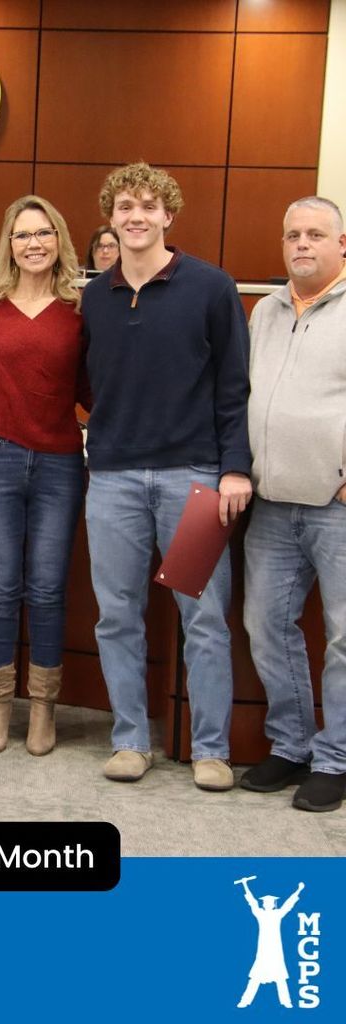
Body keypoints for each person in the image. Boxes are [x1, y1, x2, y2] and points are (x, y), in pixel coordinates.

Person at [80, 162, 252, 790]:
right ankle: (130, 740)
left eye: (148, 206)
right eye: (125, 206)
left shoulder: (211, 287)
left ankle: (211, 751)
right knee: (117, 615)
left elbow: (234, 388)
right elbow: (87, 382)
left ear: (168, 216)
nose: (136, 217)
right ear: (111, 217)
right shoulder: (94, 297)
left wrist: (235, 467)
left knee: (202, 618)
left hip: (195, 479)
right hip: (114, 481)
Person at [0, 195, 90, 756]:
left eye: (43, 233)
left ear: (59, 240)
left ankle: (42, 707)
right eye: (23, 234)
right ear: (8, 244)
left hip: (60, 464)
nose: (34, 243)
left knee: (49, 589)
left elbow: (95, 391)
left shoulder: (81, 309)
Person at [240, 196, 346, 813]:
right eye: (292, 235)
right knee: (266, 626)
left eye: (315, 234)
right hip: (273, 504)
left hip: (337, 505)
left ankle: (336, 759)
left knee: (344, 638)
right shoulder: (267, 311)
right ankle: (292, 744)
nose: (302, 244)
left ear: (341, 244)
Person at [236, 879, 305, 1009]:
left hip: (276, 951)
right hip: (263, 951)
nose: (268, 904)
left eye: (270, 902)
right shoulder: (260, 914)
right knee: (255, 977)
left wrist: (298, 890)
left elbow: (288, 904)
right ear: (263, 904)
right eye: (266, 902)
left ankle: (286, 1002)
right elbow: (252, 902)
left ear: (274, 904)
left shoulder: (278, 914)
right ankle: (244, 1001)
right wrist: (245, 885)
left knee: (280, 978)